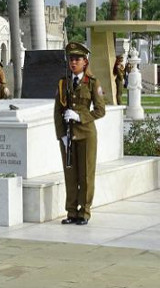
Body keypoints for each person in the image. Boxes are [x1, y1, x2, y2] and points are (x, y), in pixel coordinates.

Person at [54, 42, 105, 226]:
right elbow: (57, 111)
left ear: (85, 62)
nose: (73, 62)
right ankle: (71, 211)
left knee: (85, 175)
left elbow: (100, 110)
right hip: (68, 136)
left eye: (77, 59)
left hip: (86, 135)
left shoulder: (92, 83)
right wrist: (62, 135)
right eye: (71, 59)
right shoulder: (63, 83)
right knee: (70, 176)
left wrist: (80, 116)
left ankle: (84, 212)